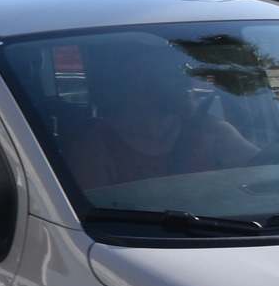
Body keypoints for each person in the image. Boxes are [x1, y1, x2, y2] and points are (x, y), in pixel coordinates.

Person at [69, 48, 257, 190]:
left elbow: (263, 167)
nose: (186, 83)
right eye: (173, 76)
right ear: (142, 84)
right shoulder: (99, 144)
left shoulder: (210, 131)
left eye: (185, 74)